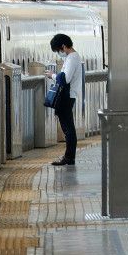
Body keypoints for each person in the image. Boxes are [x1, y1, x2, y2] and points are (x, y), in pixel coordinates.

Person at [49, 33, 84, 166]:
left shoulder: (72, 58)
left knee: (68, 128)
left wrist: (52, 75)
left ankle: (69, 158)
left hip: (67, 96)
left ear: (63, 46)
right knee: (67, 127)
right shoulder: (72, 57)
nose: (59, 53)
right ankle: (69, 157)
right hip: (68, 95)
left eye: (58, 50)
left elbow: (65, 79)